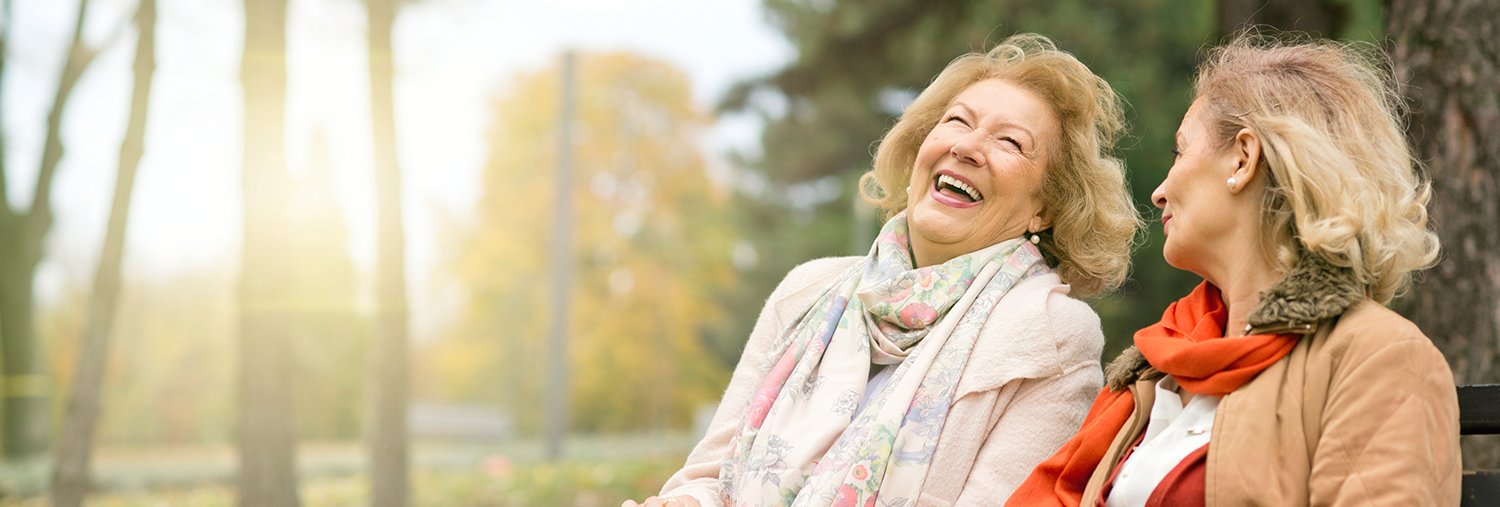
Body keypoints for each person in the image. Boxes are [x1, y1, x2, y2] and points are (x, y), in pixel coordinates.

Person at [623, 33, 1141, 507]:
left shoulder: (1049, 337)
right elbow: (710, 477)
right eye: (957, 121)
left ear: (1045, 210)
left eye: (1011, 142)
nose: (966, 146)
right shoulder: (808, 289)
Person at [1004, 33, 1460, 507]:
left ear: (1243, 159)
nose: (1159, 191)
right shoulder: (1159, 365)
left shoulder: (1378, 357)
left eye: (1180, 151)